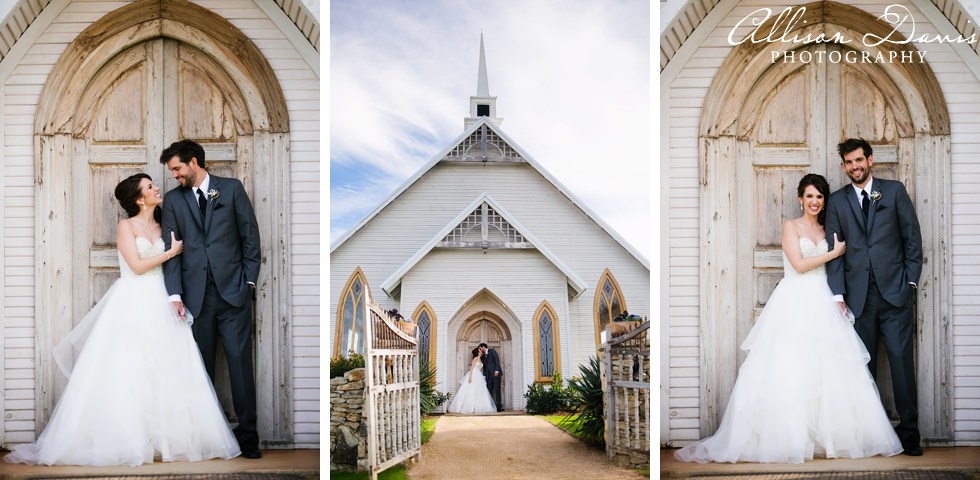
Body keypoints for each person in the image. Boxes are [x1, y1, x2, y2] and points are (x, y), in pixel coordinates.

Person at [4, 174, 240, 466]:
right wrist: (170, 252)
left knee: (168, 367)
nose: (157, 188)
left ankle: (167, 443)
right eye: (150, 187)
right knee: (129, 369)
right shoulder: (126, 226)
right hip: (132, 300)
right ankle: (128, 441)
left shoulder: (164, 223)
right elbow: (137, 266)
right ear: (139, 199)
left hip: (164, 299)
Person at [674, 174, 902, 464]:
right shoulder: (790, 226)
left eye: (819, 196)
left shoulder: (828, 227)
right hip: (795, 298)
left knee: (829, 369)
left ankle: (831, 439)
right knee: (791, 367)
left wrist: (839, 289)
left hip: (825, 299)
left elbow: (841, 265)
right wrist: (833, 253)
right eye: (809, 196)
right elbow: (799, 264)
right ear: (800, 199)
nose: (815, 202)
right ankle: (789, 439)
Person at [159, 140, 262, 459]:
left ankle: (248, 438)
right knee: (200, 371)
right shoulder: (174, 202)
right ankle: (207, 439)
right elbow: (171, 250)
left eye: (177, 169)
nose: (174, 176)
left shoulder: (231, 189)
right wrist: (174, 293)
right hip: (194, 299)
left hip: (234, 295)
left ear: (193, 162)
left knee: (240, 368)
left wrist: (248, 282)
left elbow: (250, 237)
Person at [825, 138, 923, 456]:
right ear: (844, 166)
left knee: (900, 367)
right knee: (862, 372)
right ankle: (872, 436)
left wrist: (910, 283)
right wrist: (838, 294)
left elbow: (912, 238)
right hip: (857, 300)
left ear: (870, 160)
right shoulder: (838, 202)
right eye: (848, 162)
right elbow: (835, 252)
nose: (854, 166)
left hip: (895, 295)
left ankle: (909, 434)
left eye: (858, 160)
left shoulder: (893, 191)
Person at [446, 348, 497, 414]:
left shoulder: (481, 359)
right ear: (478, 352)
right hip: (474, 374)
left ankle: (480, 407)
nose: (481, 351)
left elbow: (481, 369)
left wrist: (483, 376)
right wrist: (470, 377)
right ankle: (469, 407)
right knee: (471, 390)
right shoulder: (475, 359)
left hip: (479, 376)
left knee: (480, 391)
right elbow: (471, 368)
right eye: (480, 350)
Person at [479, 343, 504, 411]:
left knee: (497, 390)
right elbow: (484, 366)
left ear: (483, 347)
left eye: (480, 348)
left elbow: (497, 361)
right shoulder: (483, 356)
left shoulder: (492, 351)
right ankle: (492, 407)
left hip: (496, 375)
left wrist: (496, 370)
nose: (480, 350)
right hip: (488, 376)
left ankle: (499, 407)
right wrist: (484, 375)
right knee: (489, 391)